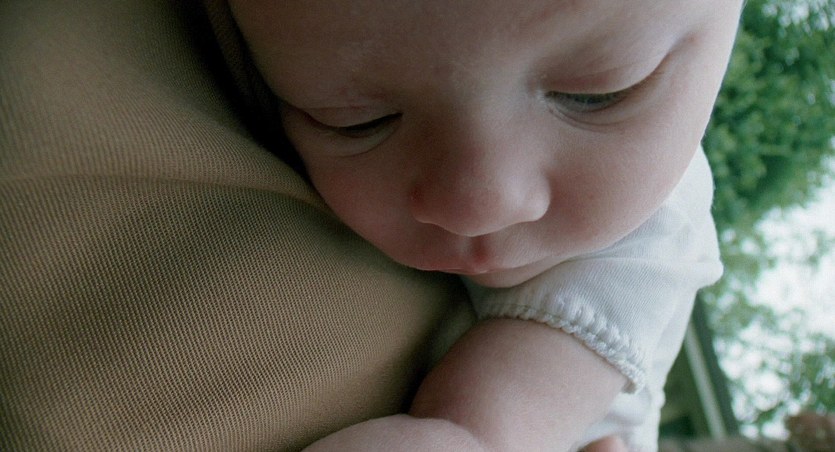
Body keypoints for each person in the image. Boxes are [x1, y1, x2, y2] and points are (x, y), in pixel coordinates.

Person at [218, 0, 745, 450]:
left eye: (597, 92)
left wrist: (465, 437)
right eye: (353, 119)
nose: (476, 206)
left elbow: (502, 424)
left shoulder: (660, 227)